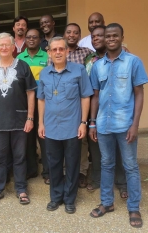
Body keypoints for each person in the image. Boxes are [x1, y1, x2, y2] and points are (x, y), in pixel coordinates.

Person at [89, 23, 148, 228]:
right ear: (104, 39)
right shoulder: (97, 66)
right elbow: (95, 96)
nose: (111, 39)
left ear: (122, 37)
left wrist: (135, 124)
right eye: (108, 36)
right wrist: (92, 123)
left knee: (130, 165)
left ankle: (134, 207)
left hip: (125, 125)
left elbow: (139, 93)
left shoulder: (133, 62)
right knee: (106, 164)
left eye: (115, 35)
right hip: (104, 124)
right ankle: (107, 203)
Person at [37, 37, 93, 214]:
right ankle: (55, 197)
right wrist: (40, 123)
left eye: (62, 49)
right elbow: (41, 99)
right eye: (54, 50)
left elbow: (85, 96)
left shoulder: (79, 70)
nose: (58, 52)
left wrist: (83, 123)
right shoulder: (44, 73)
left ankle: (70, 198)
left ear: (67, 51)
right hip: (51, 127)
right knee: (53, 165)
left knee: (72, 164)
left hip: (72, 127)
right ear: (49, 53)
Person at [0, 32, 36, 205]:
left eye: (7, 45)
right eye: (1, 45)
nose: (4, 48)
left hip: (19, 120)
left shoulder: (23, 66)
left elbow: (31, 93)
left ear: (13, 47)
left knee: (20, 156)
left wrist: (30, 117)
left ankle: (21, 189)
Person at [84, 25, 128, 197]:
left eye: (100, 36)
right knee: (96, 149)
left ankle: (121, 182)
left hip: (117, 112)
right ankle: (97, 179)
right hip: (94, 110)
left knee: (118, 149)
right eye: (93, 37)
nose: (96, 39)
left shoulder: (122, 55)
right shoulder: (89, 60)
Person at [17, 29, 49, 184]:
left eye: (34, 37)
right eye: (28, 37)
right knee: (28, 138)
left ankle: (48, 171)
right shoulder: (19, 58)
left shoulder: (47, 56)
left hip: (44, 102)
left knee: (44, 137)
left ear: (40, 39)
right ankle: (31, 169)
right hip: (26, 104)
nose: (31, 39)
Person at [64, 22, 93, 189]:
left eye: (76, 33)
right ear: (65, 34)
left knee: (80, 139)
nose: (72, 35)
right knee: (62, 137)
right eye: (69, 32)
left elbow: (101, 57)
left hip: (81, 102)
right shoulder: (57, 51)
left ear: (80, 36)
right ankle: (64, 170)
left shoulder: (87, 53)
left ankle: (82, 171)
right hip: (62, 104)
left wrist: (124, 49)